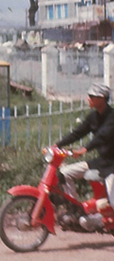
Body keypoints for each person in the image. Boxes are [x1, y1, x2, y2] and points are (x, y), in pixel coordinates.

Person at [54, 82, 114, 230]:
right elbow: (78, 132)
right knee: (64, 173)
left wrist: (84, 149)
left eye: (91, 96)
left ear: (102, 98)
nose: (88, 98)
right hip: (100, 162)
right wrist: (57, 145)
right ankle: (76, 211)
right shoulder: (93, 117)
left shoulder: (112, 117)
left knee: (113, 199)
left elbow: (103, 136)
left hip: (112, 165)